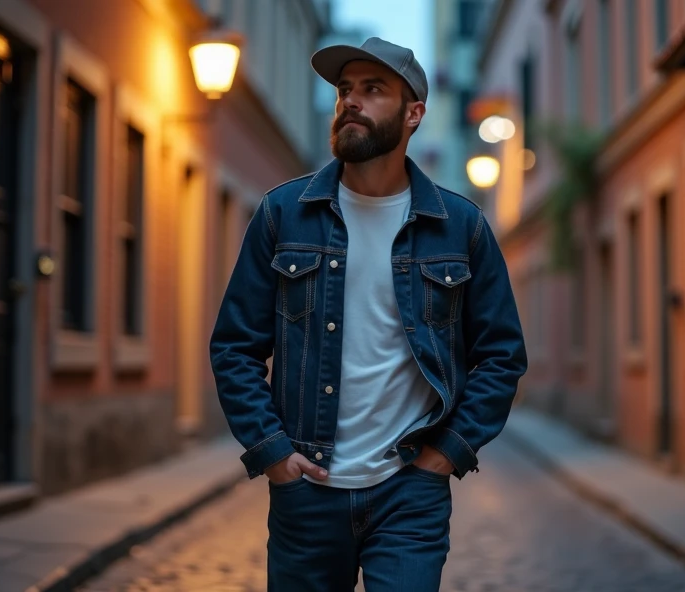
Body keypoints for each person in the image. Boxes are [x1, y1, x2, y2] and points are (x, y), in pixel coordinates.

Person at [210, 36, 527, 592]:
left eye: (372, 89)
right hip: (306, 491)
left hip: (409, 492)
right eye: (344, 90)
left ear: (413, 114)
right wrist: (274, 454)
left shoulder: (460, 227)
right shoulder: (283, 215)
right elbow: (234, 346)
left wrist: (446, 454)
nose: (350, 101)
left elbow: (501, 356)